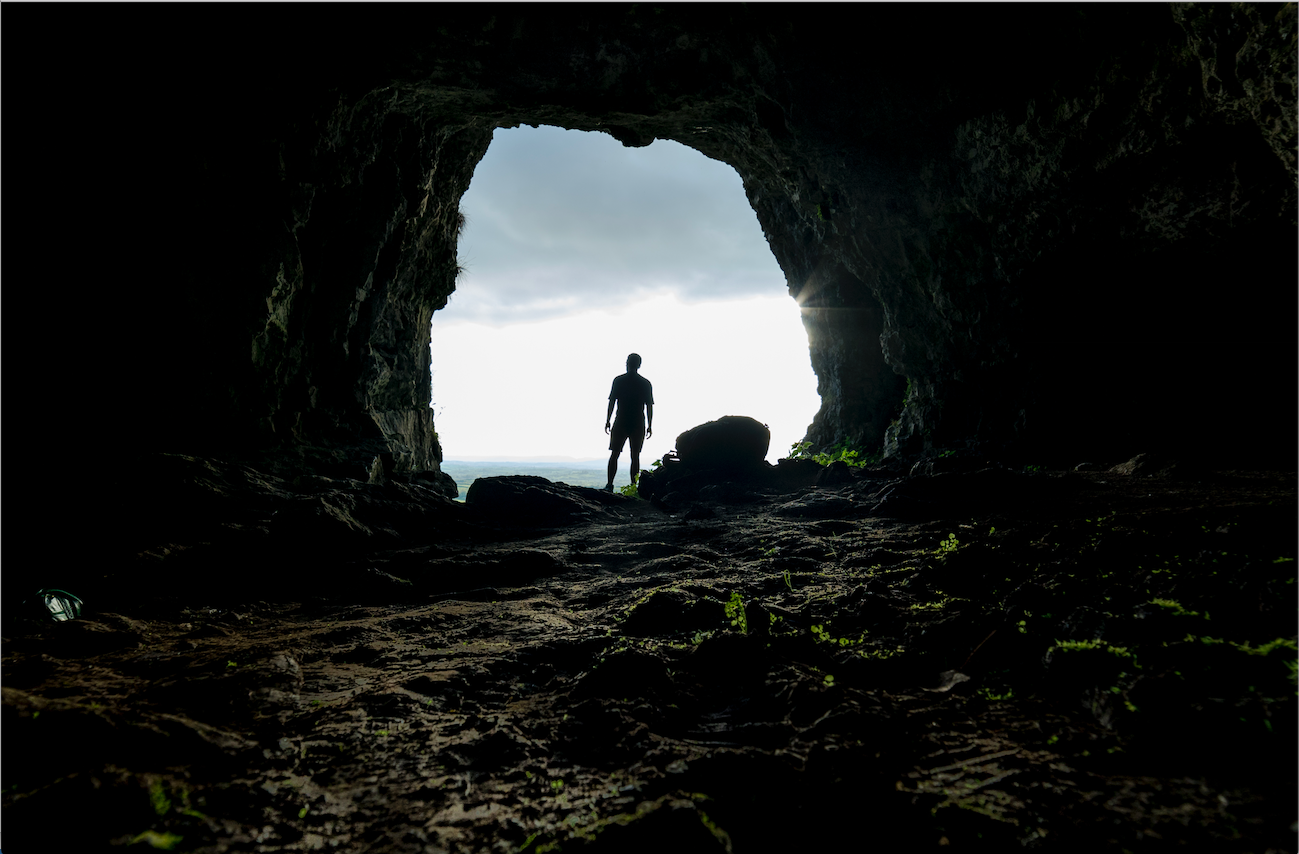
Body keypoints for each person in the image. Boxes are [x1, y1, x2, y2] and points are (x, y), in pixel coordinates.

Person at [604, 353, 653, 492]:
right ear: (639, 365)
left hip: (621, 420)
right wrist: (650, 425)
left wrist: (608, 420)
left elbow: (612, 402)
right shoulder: (645, 383)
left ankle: (609, 484)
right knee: (635, 455)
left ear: (627, 363)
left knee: (614, 453)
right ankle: (633, 486)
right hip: (638, 422)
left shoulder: (619, 381)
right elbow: (649, 406)